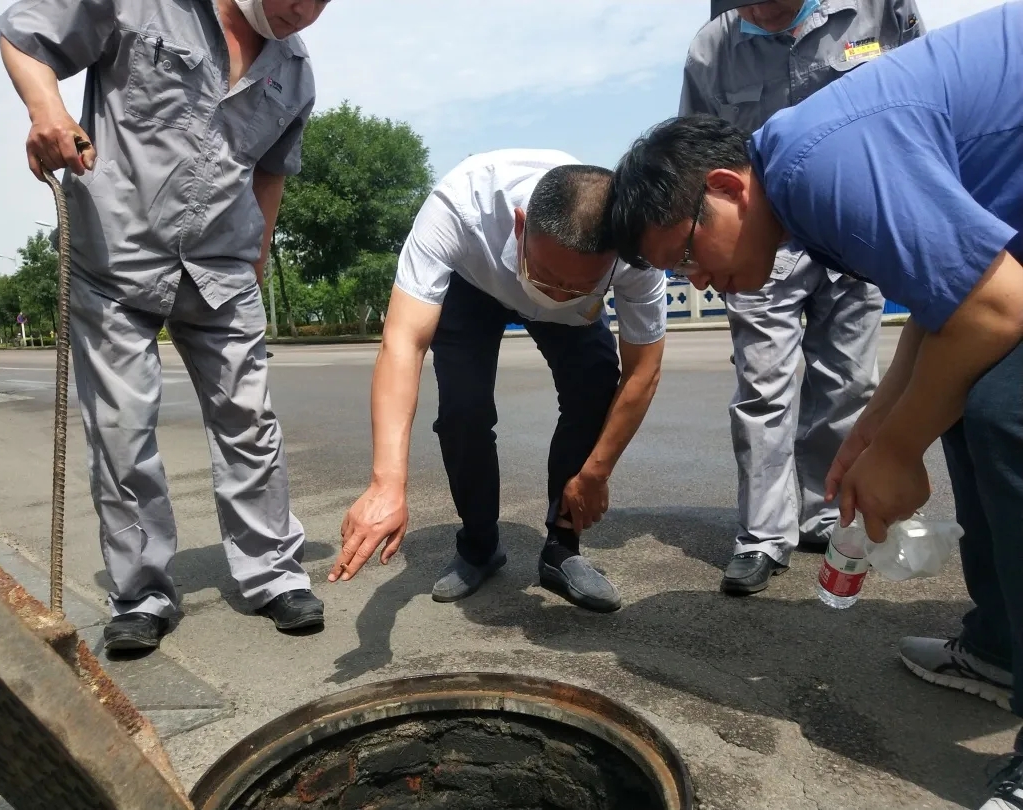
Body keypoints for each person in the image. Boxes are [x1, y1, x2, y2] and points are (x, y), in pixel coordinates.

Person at [609, 4, 1023, 805]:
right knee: (970, 394)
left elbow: (995, 308)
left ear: (726, 187)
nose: (699, 282)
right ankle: (1004, 645)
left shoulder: (818, 165)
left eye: (687, 253)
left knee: (1008, 415)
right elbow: (945, 306)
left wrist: (899, 450)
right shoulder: (803, 179)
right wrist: (879, 428)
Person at [0, 0, 331, 651]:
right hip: (116, 256)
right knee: (121, 430)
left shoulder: (294, 73)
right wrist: (47, 110)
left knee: (250, 422)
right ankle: (141, 593)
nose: (304, 10)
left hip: (222, 267)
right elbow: (24, 36)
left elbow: (271, 171)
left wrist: (258, 257)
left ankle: (273, 573)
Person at [329, 149, 668, 613]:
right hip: (475, 283)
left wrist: (596, 473)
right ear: (520, 225)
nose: (553, 296)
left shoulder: (637, 249)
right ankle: (479, 546)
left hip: (578, 316)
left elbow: (643, 371)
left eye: (574, 286)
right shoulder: (460, 206)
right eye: (546, 278)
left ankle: (562, 551)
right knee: (463, 412)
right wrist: (387, 482)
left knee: (594, 391)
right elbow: (404, 341)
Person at [679, 0, 924, 596]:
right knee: (763, 388)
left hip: (855, 229)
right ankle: (763, 535)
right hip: (761, 242)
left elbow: (922, 92)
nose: (760, 9)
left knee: (847, 382)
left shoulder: (878, 9)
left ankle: (824, 513)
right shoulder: (711, 48)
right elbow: (693, 155)